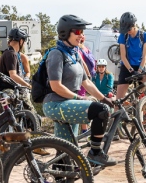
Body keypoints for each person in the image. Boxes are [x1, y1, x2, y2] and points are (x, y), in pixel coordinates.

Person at [42, 14, 116, 166]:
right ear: (65, 32)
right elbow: (56, 86)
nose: (81, 36)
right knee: (100, 111)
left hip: (67, 104)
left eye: (82, 32)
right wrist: (79, 98)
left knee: (66, 153)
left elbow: (86, 82)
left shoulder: (74, 54)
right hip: (56, 104)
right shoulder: (56, 54)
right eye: (77, 32)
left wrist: (104, 98)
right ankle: (95, 152)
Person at [116, 12, 146, 99]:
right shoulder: (123, 36)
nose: (127, 31)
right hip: (127, 66)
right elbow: (123, 56)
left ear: (134, 24)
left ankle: (145, 108)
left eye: (129, 29)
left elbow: (145, 56)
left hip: (140, 66)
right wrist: (131, 71)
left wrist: (139, 71)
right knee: (118, 100)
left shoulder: (144, 36)